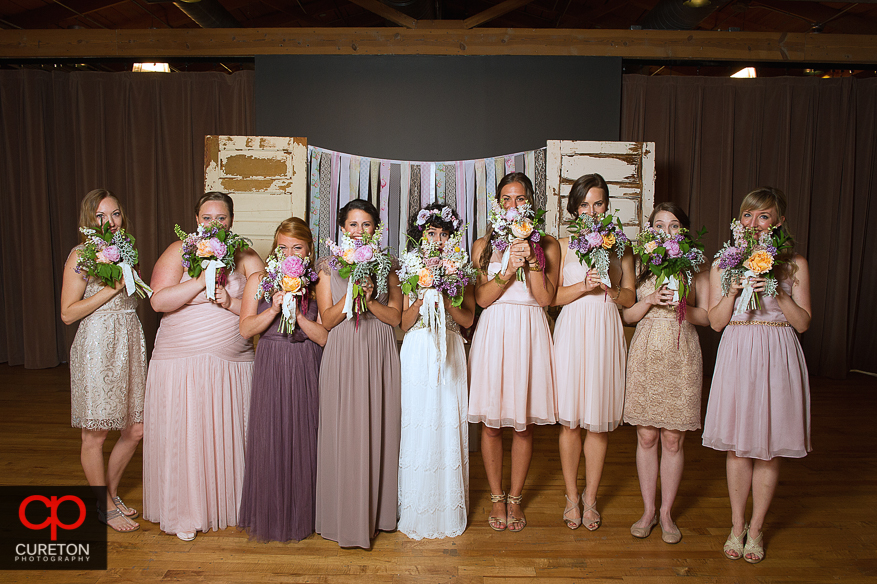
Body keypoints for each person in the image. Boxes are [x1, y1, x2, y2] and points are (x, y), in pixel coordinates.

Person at [143, 192, 264, 541]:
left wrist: (229, 300)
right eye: (207, 218)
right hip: (181, 360)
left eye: (221, 218)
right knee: (188, 430)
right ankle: (186, 511)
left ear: (231, 220)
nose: (215, 224)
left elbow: (267, 300)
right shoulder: (178, 251)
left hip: (232, 364)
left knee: (226, 430)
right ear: (197, 220)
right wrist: (201, 280)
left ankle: (230, 502)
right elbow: (158, 301)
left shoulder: (245, 255)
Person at [703, 187, 811, 564]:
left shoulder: (793, 263)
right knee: (737, 444)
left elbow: (803, 323)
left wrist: (780, 294)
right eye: (747, 216)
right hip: (738, 350)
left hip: (777, 352)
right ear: (739, 222)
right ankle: (736, 526)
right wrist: (731, 292)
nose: (754, 224)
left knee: (768, 446)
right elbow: (716, 323)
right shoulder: (723, 263)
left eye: (763, 216)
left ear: (778, 222)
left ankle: (757, 528)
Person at [467, 172, 560, 533]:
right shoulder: (483, 244)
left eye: (520, 199)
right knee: (491, 424)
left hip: (530, 329)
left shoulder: (548, 244)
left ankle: (516, 498)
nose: (513, 205)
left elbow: (546, 299)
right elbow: (482, 299)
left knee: (523, 425)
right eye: (506, 198)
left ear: (530, 204)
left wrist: (531, 259)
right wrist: (506, 269)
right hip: (495, 331)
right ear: (498, 204)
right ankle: (495, 496)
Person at [314, 199, 403, 549]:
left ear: (375, 229)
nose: (359, 232)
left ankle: (378, 515)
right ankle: (342, 516)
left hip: (378, 349)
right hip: (343, 352)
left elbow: (395, 319)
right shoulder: (326, 268)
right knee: (344, 431)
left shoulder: (389, 265)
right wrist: (352, 294)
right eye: (352, 225)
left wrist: (371, 298)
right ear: (342, 229)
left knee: (380, 428)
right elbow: (328, 320)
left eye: (366, 225)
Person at [621, 202, 709, 544]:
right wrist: (652, 299)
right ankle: (647, 510)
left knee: (673, 439)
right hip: (645, 353)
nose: (666, 231)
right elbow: (628, 317)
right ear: (650, 232)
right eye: (659, 225)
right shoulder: (641, 266)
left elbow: (711, 319)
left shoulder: (695, 268)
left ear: (683, 232)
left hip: (681, 353)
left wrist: (683, 306)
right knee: (646, 437)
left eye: (673, 225)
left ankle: (667, 513)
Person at [553, 173, 635, 531]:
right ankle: (571, 496)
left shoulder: (621, 246)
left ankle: (591, 499)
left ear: (607, 206)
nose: (591, 210)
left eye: (598, 203)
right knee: (571, 421)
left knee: (598, 423)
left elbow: (630, 296)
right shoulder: (561, 245)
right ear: (574, 208)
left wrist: (609, 290)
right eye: (584, 204)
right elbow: (551, 297)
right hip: (572, 328)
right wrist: (582, 286)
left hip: (604, 327)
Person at [60, 189, 146, 533]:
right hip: (98, 342)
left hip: (129, 338)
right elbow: (68, 313)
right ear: (88, 221)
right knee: (95, 434)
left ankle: (106, 496)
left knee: (135, 428)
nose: (108, 222)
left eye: (114, 214)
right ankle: (105, 505)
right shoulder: (81, 255)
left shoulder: (126, 250)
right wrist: (111, 288)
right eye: (100, 216)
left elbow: (136, 293)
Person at [238, 217, 327, 542]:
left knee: (305, 435)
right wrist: (274, 307)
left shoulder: (318, 283)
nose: (289, 252)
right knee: (271, 434)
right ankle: (273, 512)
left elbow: (325, 339)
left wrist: (300, 314)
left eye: (297, 247)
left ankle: (306, 513)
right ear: (276, 249)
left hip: (305, 362)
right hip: (272, 361)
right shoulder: (260, 280)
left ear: (308, 250)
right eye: (283, 246)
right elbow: (246, 329)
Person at [398, 203, 475, 540]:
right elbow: (402, 322)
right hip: (417, 350)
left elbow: (468, 319)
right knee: (419, 426)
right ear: (421, 237)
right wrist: (420, 298)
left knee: (446, 425)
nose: (439, 240)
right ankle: (415, 504)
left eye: (445, 234)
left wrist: (445, 298)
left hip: (450, 348)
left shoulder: (461, 269)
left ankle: (447, 507)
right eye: (432, 233)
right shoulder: (410, 268)